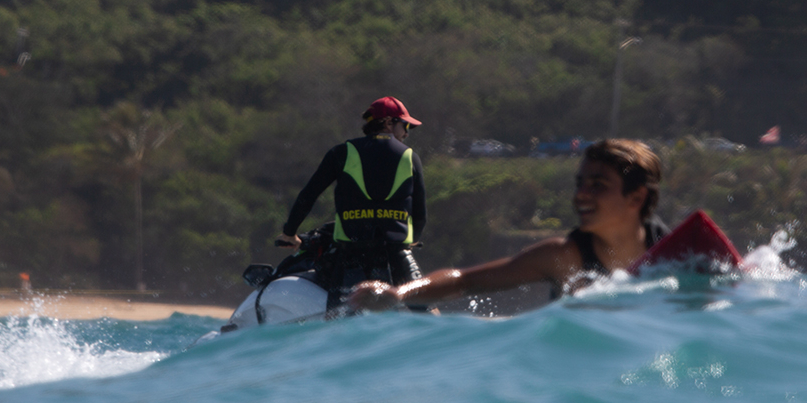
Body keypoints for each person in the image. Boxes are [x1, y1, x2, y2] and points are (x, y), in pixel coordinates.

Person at [349, 138, 668, 312]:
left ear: (635, 198)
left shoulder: (676, 253)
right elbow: (464, 281)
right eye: (580, 183)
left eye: (598, 184)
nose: (581, 195)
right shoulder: (563, 257)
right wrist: (398, 293)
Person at [277, 96, 428, 310]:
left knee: (338, 319)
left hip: (350, 254)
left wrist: (290, 233)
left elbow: (308, 195)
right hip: (396, 253)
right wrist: (413, 241)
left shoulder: (341, 153)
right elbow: (420, 213)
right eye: (405, 125)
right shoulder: (410, 157)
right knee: (426, 312)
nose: (406, 133)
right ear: (387, 122)